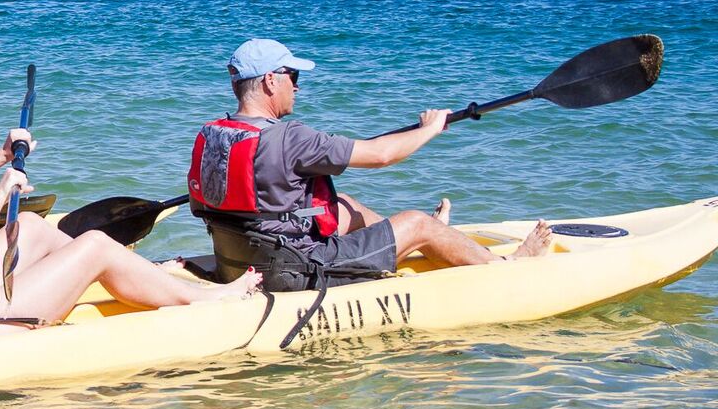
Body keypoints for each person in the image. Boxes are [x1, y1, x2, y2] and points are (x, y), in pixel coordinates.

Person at [0, 58, 261, 338]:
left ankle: (129, 276)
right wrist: (2, 192)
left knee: (30, 226)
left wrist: (1, 156)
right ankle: (203, 297)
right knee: (95, 245)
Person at [188, 38, 553, 283]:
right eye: (292, 76)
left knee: (342, 205)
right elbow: (381, 155)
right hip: (293, 270)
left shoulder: (214, 134)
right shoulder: (291, 138)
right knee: (416, 221)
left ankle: (434, 237)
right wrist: (431, 128)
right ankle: (504, 264)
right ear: (270, 81)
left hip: (238, 258)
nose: (296, 86)